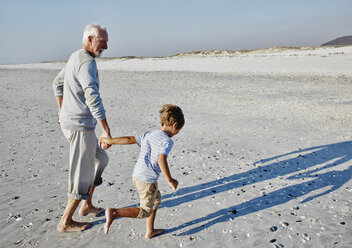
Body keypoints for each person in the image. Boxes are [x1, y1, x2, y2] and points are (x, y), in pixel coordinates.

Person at [52, 23, 112, 232]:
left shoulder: (74, 56)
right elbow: (93, 98)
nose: (105, 45)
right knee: (82, 175)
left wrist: (61, 111)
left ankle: (85, 204)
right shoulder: (86, 63)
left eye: (106, 41)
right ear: (89, 39)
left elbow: (57, 84)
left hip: (74, 123)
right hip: (80, 126)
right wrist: (106, 130)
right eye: (102, 41)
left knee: (101, 159)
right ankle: (65, 222)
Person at [101, 104, 185, 239]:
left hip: (137, 176)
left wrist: (110, 141)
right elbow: (161, 159)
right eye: (179, 130)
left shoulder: (149, 134)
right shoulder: (167, 141)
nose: (178, 133)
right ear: (175, 125)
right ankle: (115, 213)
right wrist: (170, 179)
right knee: (145, 211)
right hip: (147, 180)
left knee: (156, 200)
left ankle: (150, 230)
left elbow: (129, 139)